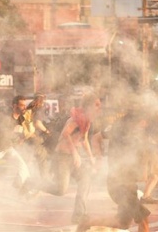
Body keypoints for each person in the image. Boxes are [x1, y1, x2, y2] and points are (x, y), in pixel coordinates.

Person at [77, 107, 151, 232]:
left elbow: (96, 137)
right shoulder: (126, 133)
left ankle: (86, 222)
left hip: (126, 184)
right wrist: (99, 158)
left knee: (122, 222)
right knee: (143, 218)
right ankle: (85, 222)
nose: (145, 124)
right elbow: (95, 138)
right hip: (120, 185)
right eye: (143, 121)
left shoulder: (121, 129)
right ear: (135, 121)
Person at [41, 92, 101, 224]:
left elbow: (84, 139)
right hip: (62, 157)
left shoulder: (87, 121)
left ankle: (79, 215)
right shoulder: (76, 118)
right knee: (61, 189)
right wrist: (75, 153)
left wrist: (91, 157)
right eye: (96, 105)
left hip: (73, 158)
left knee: (85, 178)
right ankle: (34, 183)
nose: (99, 108)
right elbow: (65, 134)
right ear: (89, 106)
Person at [23, 93, 52, 180]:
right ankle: (44, 180)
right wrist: (47, 131)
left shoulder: (30, 107)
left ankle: (24, 177)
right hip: (35, 137)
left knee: (30, 159)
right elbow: (37, 123)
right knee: (42, 158)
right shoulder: (39, 108)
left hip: (28, 136)